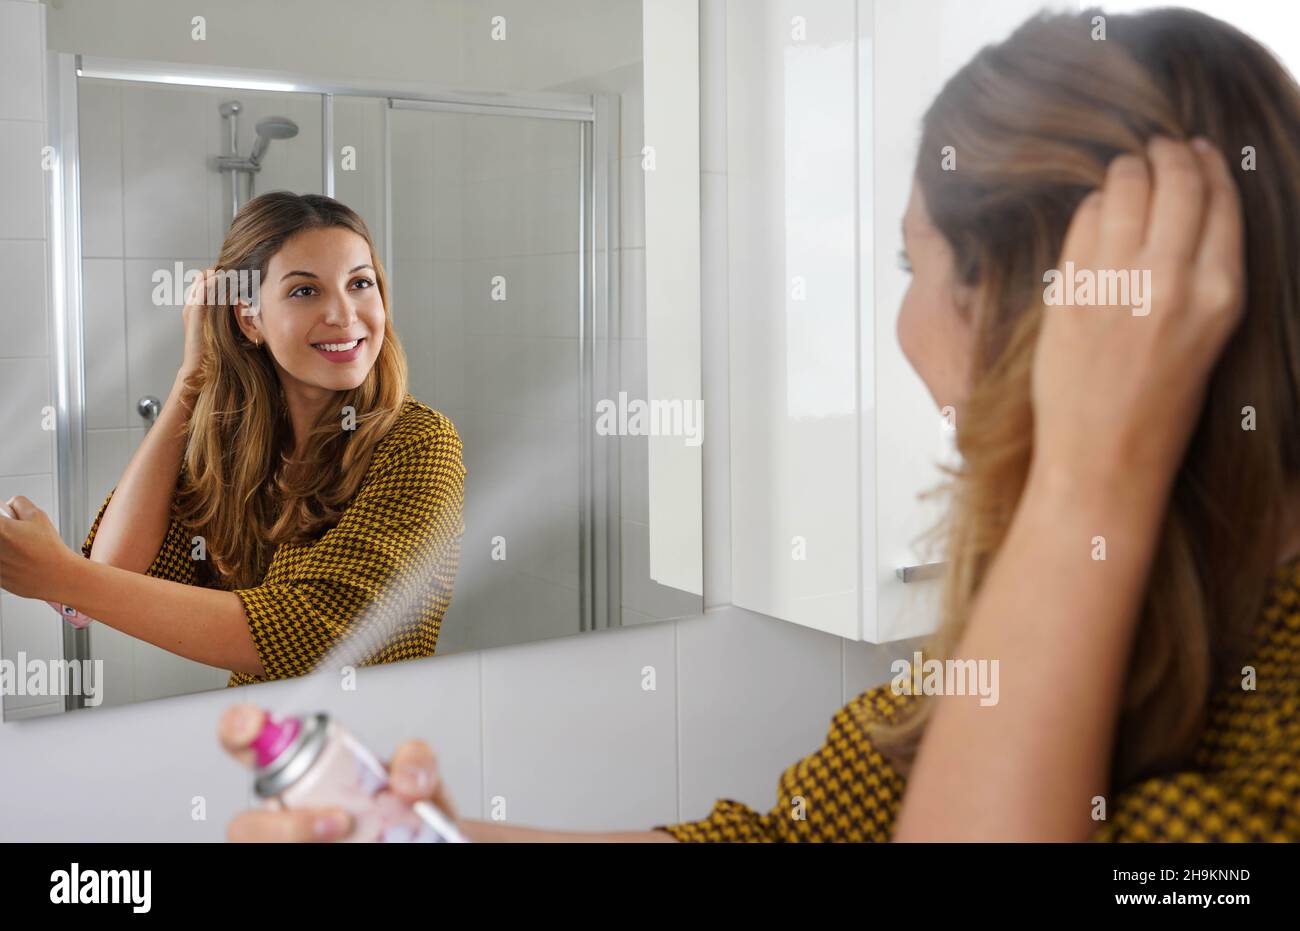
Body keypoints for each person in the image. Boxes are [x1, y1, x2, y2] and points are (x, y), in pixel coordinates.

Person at [217, 6, 1300, 841]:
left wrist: (1083, 484)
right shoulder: (1021, 619)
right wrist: (433, 833)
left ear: (1073, 313)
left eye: (913, 266)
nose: (902, 326)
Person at [0, 192, 465, 687]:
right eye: (306, 291)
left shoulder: (419, 443)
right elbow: (115, 566)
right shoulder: (239, 447)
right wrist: (190, 380)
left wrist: (64, 576)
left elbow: (320, 638)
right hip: (260, 735)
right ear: (249, 319)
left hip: (373, 741)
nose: (345, 315)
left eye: (360, 283)